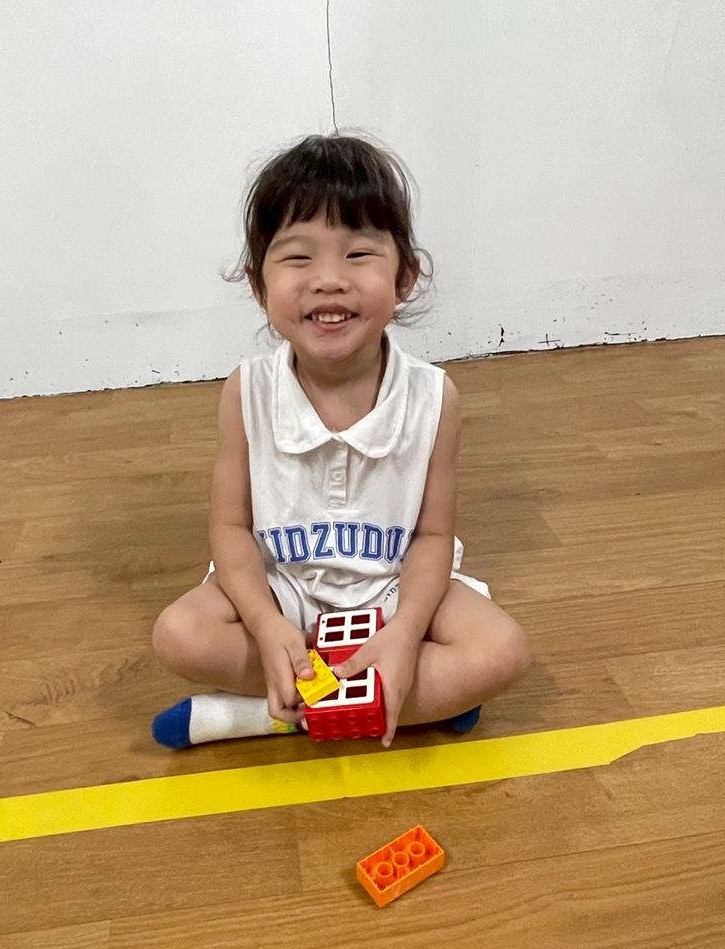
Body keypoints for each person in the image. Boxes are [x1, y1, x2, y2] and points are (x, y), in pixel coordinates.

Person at [151, 132, 531, 750]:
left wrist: (405, 633)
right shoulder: (246, 390)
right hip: (282, 586)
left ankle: (261, 714)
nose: (329, 280)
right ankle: (408, 701)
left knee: (503, 650)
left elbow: (433, 537)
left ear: (405, 276)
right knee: (179, 634)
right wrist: (266, 624)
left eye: (358, 254)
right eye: (298, 258)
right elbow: (231, 529)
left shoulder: (434, 397)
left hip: (391, 587)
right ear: (259, 285)